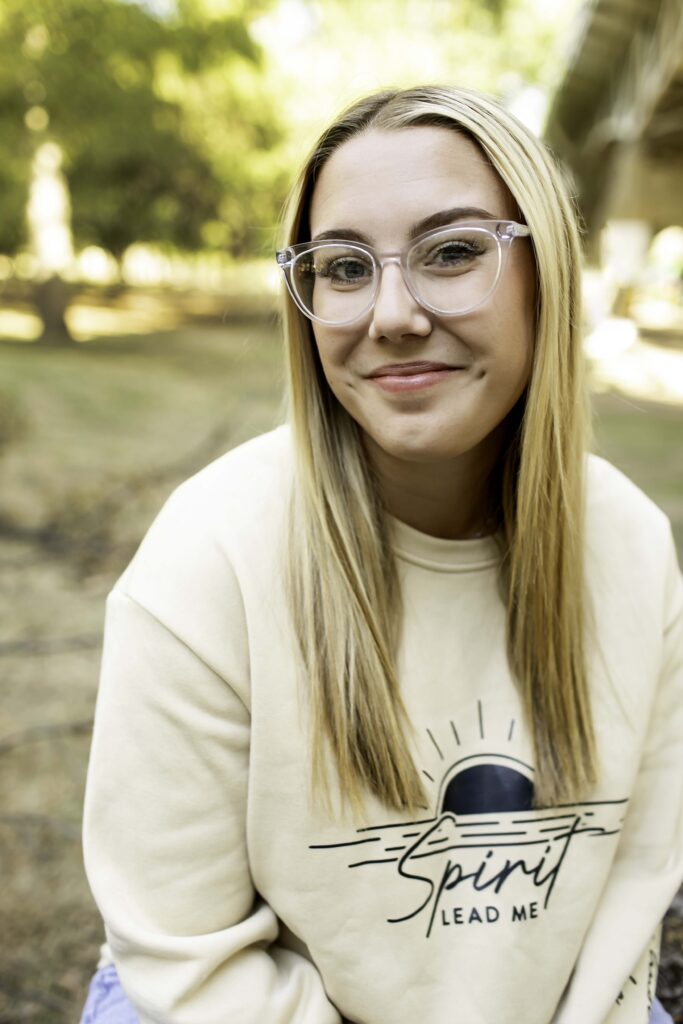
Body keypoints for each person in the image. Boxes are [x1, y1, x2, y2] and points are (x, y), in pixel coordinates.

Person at [80, 86, 683, 1024]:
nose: (391, 314)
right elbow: (184, 954)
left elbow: (636, 882)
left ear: (545, 273)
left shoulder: (634, 546)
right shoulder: (207, 560)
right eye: (343, 267)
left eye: (450, 252)